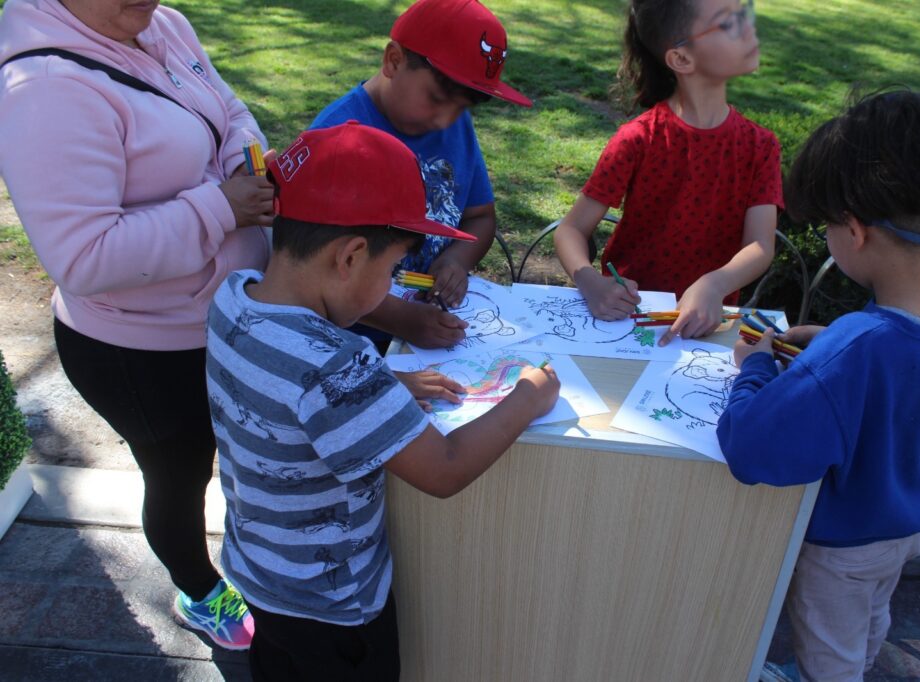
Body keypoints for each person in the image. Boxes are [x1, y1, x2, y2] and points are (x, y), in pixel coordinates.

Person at [206, 121, 560, 680]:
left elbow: (287, 394)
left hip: (258, 575)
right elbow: (444, 470)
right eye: (392, 271)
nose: (390, 286)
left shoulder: (233, 298)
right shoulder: (340, 366)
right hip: (337, 609)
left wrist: (382, 393)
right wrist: (527, 398)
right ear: (349, 257)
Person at [0, 0, 274, 650]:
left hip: (219, 318)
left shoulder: (159, 22)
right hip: (140, 349)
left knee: (236, 458)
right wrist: (219, 207)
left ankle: (256, 567)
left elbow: (228, 110)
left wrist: (248, 162)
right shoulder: (42, 89)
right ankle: (199, 589)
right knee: (179, 476)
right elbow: (86, 257)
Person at [716, 90, 920, 681]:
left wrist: (754, 364)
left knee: (831, 655)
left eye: (825, 224)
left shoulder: (858, 347)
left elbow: (750, 448)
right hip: (913, 520)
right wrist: (837, 352)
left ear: (853, 229)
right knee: (873, 617)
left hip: (844, 544)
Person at [309, 0, 532, 352]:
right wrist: (400, 319)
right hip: (350, 347)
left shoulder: (456, 125)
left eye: (463, 108)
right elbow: (312, 269)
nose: (446, 120)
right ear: (393, 60)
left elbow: (480, 218)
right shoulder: (337, 138)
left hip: (426, 337)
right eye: (437, 99)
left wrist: (456, 260)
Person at [554, 0, 781, 342]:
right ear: (681, 58)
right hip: (628, 321)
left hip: (707, 327)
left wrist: (714, 284)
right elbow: (571, 229)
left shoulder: (760, 146)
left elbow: (760, 245)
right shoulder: (638, 139)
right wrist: (589, 281)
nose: (747, 28)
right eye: (725, 23)